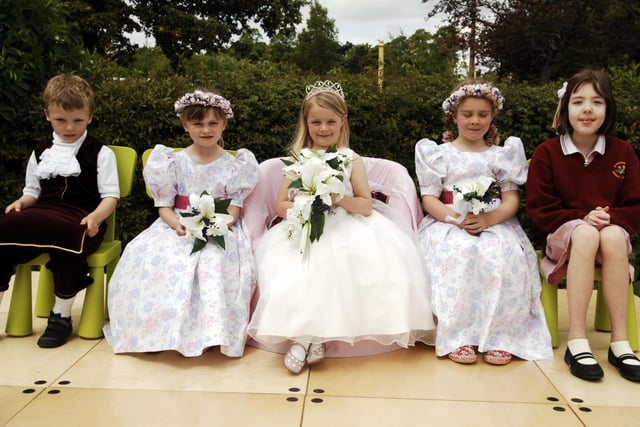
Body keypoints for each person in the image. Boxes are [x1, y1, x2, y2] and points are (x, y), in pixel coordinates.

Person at [247, 80, 434, 374]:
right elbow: (281, 204)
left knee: (341, 263)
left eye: (330, 122)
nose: (323, 129)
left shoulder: (351, 159)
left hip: (347, 224)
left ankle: (309, 338)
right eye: (316, 122)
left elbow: (365, 204)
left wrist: (338, 199)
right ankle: (308, 337)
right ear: (305, 123)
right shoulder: (298, 159)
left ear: (342, 121)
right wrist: (303, 206)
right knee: (298, 268)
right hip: (306, 224)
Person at [103, 90, 259, 358]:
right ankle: (154, 331)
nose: (206, 130)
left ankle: (211, 332)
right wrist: (176, 225)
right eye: (198, 124)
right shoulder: (172, 162)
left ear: (224, 124)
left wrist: (222, 223)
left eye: (213, 123)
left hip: (220, 227)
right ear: (185, 125)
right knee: (155, 258)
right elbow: (164, 206)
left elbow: (235, 205)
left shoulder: (236, 165)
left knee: (212, 262)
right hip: (178, 225)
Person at [415, 81, 553, 366]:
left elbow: (511, 200)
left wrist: (489, 219)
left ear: (492, 118)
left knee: (502, 254)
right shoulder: (438, 153)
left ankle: (501, 335)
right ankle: (458, 333)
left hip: (493, 221)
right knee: (458, 253)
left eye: (482, 114)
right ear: (454, 116)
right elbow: (429, 198)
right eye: (467, 114)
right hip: (450, 222)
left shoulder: (501, 155)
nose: (475, 121)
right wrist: (456, 219)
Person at [527, 69, 640, 382]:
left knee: (615, 236)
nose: (587, 109)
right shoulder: (547, 153)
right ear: (565, 110)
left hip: (609, 239)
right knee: (587, 233)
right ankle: (577, 340)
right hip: (564, 238)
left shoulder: (623, 153)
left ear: (608, 109)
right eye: (578, 102)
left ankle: (620, 342)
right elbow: (540, 208)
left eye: (597, 102)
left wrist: (609, 219)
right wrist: (582, 217)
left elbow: (634, 205)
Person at [0, 74, 120, 348]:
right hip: (43, 215)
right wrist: (21, 202)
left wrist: (96, 217)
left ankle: (61, 316)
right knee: (3, 234)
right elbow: (32, 191)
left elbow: (110, 197)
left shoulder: (100, 153)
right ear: (47, 116)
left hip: (82, 217)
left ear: (89, 117)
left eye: (77, 120)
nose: (69, 127)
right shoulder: (41, 151)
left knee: (68, 243)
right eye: (60, 120)